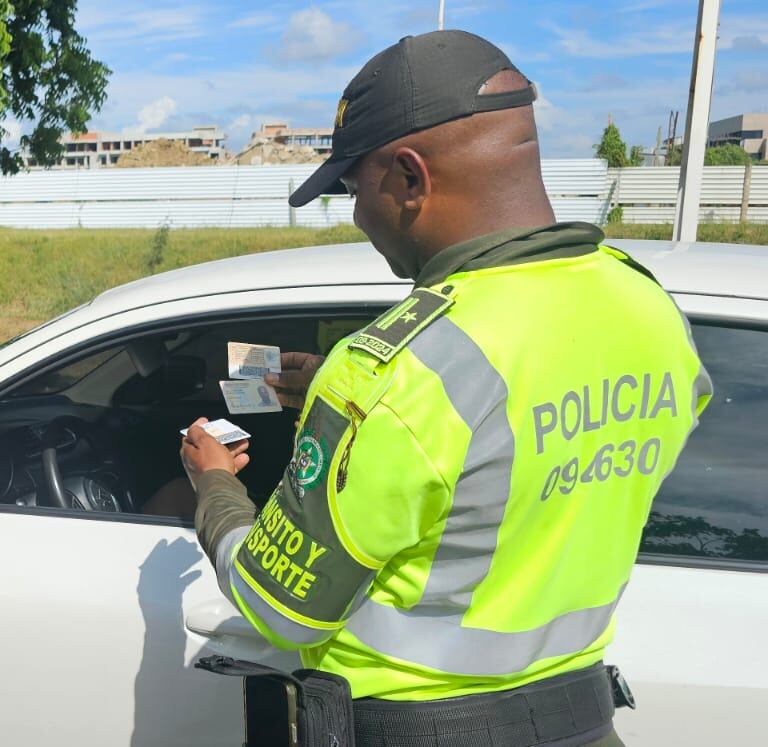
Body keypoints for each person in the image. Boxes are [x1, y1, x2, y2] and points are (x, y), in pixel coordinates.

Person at [183, 30, 710, 746]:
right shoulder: (646, 307)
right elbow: (520, 441)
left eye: (351, 189)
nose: (359, 216)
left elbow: (279, 611)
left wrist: (214, 487)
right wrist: (351, 414)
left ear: (408, 177)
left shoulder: (387, 375)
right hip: (584, 724)